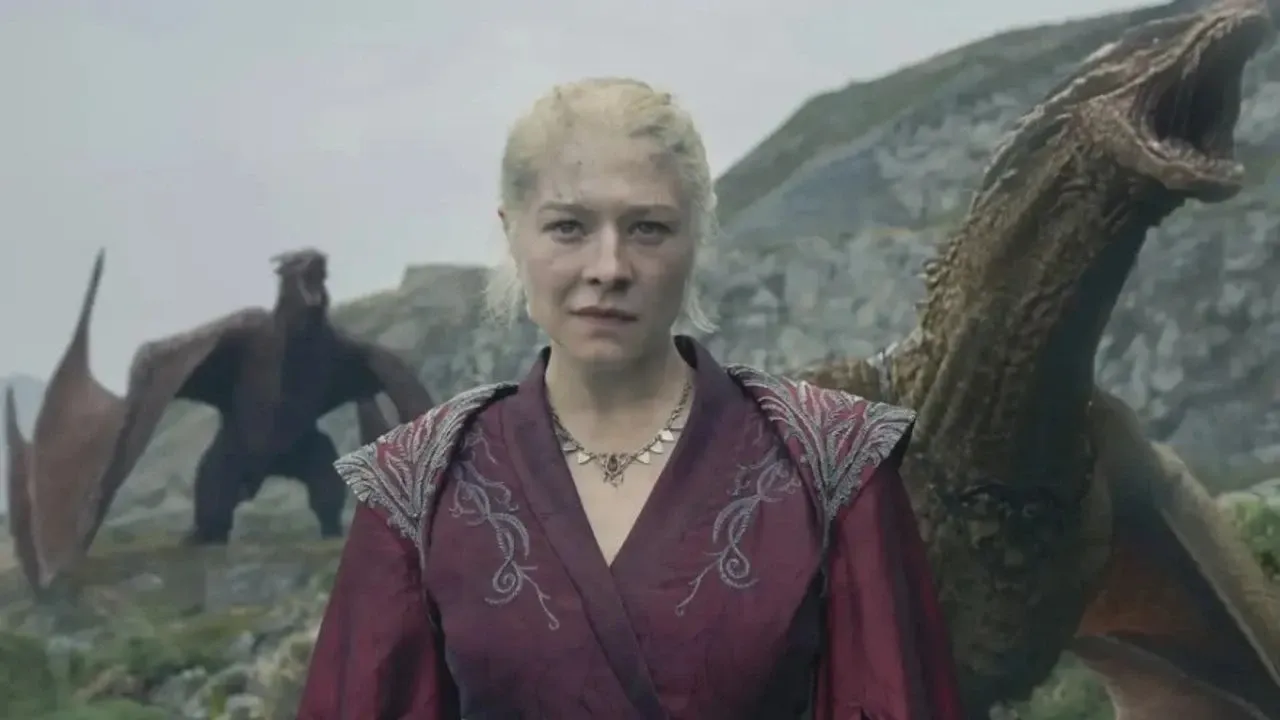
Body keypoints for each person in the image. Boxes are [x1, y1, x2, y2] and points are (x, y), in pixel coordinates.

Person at [297, 77, 962, 720]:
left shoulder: (830, 462)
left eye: (648, 228)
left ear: (695, 239)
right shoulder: (419, 483)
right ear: (512, 233)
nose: (609, 268)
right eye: (568, 227)